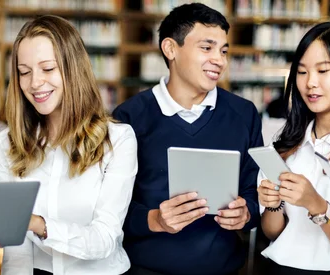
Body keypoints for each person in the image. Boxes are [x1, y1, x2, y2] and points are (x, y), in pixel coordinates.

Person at [112, 3, 262, 275]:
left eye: (224, 50)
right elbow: (109, 208)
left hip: (223, 269)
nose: (219, 59)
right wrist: (154, 219)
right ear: (170, 49)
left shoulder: (244, 114)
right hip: (145, 269)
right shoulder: (130, 117)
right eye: (207, 48)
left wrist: (247, 213)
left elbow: (257, 191)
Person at [0, 15, 138, 275]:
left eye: (48, 69)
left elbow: (105, 237)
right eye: (24, 72)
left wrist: (39, 225)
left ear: (73, 69)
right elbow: (16, 251)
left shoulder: (117, 140)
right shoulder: (8, 142)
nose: (35, 82)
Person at [258, 22, 330, 274]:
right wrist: (273, 204)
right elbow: (273, 231)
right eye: (301, 72)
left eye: (323, 71)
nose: (310, 83)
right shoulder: (285, 144)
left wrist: (317, 206)